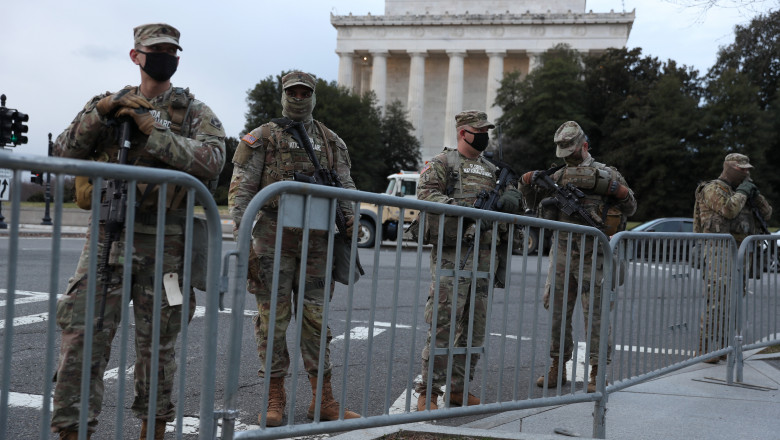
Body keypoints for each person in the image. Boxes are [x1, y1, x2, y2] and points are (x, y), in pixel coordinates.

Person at [51, 23, 226, 440]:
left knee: (158, 350)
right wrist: (101, 112)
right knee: (81, 338)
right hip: (107, 239)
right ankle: (72, 432)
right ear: (136, 56)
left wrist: (156, 131)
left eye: (172, 51)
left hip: (166, 245)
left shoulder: (194, 112)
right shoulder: (108, 106)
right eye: (156, 50)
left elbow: (214, 161)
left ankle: (154, 430)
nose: (165, 56)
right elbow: (62, 152)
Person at [228, 71, 360, 426]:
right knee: (272, 322)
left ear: (314, 96)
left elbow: (346, 187)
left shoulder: (332, 141)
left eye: (305, 92)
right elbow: (241, 189)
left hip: (318, 244)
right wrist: (240, 230)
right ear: (283, 95)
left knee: (317, 323)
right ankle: (274, 397)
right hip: (272, 241)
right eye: (293, 92)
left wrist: (350, 219)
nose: (299, 98)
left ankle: (324, 399)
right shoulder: (263, 137)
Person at [414, 110, 523, 411]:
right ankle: (429, 392)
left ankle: (460, 389)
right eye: (479, 130)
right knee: (443, 326)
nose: (485, 135)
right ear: (463, 132)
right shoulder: (443, 163)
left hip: (486, 260)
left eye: (487, 130)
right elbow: (426, 195)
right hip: (453, 256)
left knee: (474, 328)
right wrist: (468, 211)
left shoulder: (493, 169)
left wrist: (515, 199)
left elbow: (515, 201)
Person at [519, 121, 636, 393]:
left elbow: (631, 205)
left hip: (594, 256)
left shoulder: (607, 173)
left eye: (573, 151)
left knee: (596, 315)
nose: (569, 157)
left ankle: (598, 372)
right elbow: (530, 204)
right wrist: (526, 181)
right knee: (558, 315)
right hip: (561, 254)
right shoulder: (557, 176)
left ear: (584, 145)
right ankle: (557, 367)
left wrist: (617, 189)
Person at [693, 152, 772, 363]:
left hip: (741, 250)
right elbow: (728, 210)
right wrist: (743, 194)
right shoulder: (712, 189)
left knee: (735, 299)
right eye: (742, 169)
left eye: (748, 169)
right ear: (730, 168)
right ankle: (703, 348)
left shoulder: (742, 191)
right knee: (717, 298)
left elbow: (767, 213)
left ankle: (723, 346)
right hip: (718, 249)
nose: (746, 172)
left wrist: (754, 194)